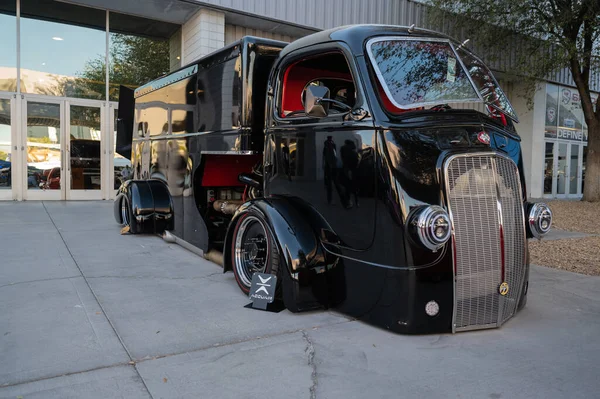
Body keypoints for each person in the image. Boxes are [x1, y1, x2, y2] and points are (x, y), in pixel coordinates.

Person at [322, 136, 349, 207]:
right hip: (331, 167)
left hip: (330, 167)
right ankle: (339, 200)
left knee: (332, 185)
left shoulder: (329, 146)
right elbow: (329, 157)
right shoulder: (330, 146)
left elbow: (326, 157)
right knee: (334, 185)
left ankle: (332, 200)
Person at [340, 139, 360, 207]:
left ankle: (349, 202)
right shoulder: (354, 152)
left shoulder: (343, 149)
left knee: (347, 187)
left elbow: (343, 159)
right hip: (353, 170)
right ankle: (356, 202)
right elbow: (357, 162)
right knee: (354, 187)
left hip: (347, 169)